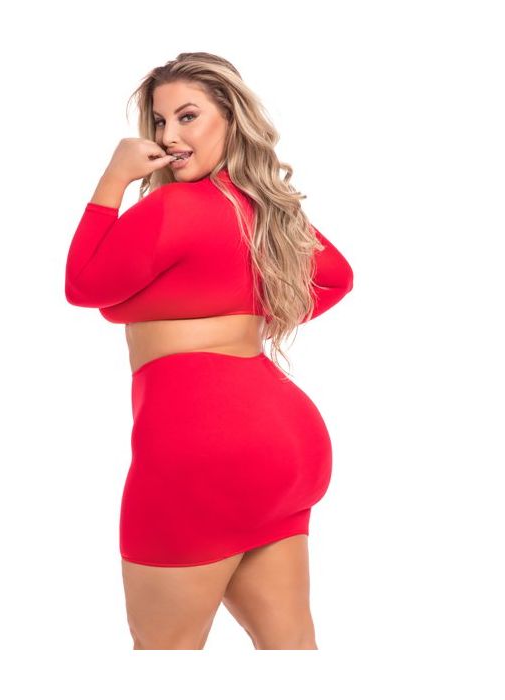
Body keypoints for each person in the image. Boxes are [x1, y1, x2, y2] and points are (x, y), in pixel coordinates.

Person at [64, 52, 354, 650]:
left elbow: (84, 285)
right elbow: (335, 277)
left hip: (200, 450)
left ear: (230, 117)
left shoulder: (167, 209)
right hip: (285, 445)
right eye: (159, 121)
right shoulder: (265, 213)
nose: (170, 136)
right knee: (291, 646)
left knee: (164, 655)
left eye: (188, 116)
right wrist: (241, 310)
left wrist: (114, 177)